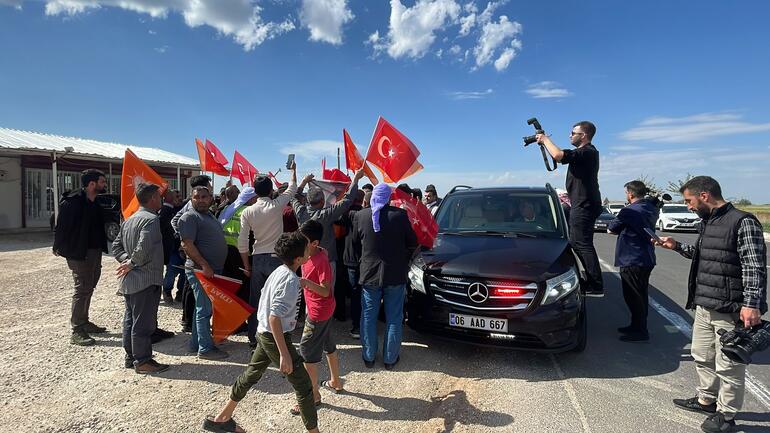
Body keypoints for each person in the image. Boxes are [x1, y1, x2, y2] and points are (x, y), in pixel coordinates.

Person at [654, 176, 767, 433]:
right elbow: (705, 256)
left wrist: (752, 304)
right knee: (703, 356)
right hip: (705, 304)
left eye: (689, 201)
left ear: (704, 195)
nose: (688, 207)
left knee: (729, 366)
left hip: (730, 309)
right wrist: (676, 246)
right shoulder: (708, 222)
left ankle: (726, 416)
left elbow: (754, 266)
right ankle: (706, 401)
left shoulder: (743, 221)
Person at [203, 233, 320, 433]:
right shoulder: (289, 280)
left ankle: (222, 418)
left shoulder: (280, 271)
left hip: (263, 331)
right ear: (299, 259)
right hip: (274, 335)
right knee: (303, 385)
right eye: (307, 248)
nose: (311, 250)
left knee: (251, 374)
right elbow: (275, 317)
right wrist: (284, 354)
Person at [352, 183, 418, 369]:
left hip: (369, 274)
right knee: (394, 317)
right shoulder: (400, 215)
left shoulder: (361, 215)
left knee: (368, 316)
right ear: (389, 198)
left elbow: (356, 243)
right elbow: (412, 242)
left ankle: (369, 356)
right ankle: (390, 358)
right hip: (395, 274)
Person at [537, 121, 604, 297]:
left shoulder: (587, 152)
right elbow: (560, 156)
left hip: (584, 204)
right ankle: (592, 281)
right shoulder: (583, 154)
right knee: (578, 242)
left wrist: (544, 139)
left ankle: (595, 285)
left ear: (583, 135)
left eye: (573, 133)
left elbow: (559, 155)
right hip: (582, 203)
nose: (570, 135)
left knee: (581, 243)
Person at [112, 183, 170, 374]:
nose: (161, 199)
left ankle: (131, 357)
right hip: (145, 279)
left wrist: (126, 261)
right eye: (159, 196)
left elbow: (116, 246)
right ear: (153, 197)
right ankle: (143, 360)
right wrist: (131, 263)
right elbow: (143, 249)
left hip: (131, 280)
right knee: (143, 323)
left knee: (130, 319)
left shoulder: (129, 219)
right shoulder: (151, 220)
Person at [239, 165, 299, 348]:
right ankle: (274, 338)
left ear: (254, 192)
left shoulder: (247, 211)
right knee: (277, 299)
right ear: (271, 190)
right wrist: (293, 171)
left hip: (257, 258)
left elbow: (242, 242)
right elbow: (292, 189)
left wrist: (247, 266)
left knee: (256, 300)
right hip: (276, 259)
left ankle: (253, 338)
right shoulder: (276, 205)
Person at [292, 169, 365, 313]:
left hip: (306, 260)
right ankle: (322, 318)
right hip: (326, 260)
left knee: (309, 290)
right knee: (326, 292)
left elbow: (293, 197)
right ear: (322, 201)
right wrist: (356, 179)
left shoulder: (300, 213)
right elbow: (346, 201)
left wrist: (304, 182)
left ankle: (311, 315)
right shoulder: (325, 215)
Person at [293, 220, 344, 415]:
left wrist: (305, 283)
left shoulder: (321, 260)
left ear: (313, 243)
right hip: (323, 310)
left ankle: (313, 395)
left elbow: (324, 290)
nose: (299, 241)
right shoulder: (314, 252)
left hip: (319, 311)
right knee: (328, 343)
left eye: (303, 239)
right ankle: (336, 381)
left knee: (306, 350)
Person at [53, 168, 109, 346]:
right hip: (79, 252)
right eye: (102, 181)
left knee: (89, 286)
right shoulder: (73, 202)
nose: (104, 184)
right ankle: (77, 329)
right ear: (92, 184)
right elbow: (62, 226)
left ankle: (84, 321)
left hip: (94, 251)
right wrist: (58, 246)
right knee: (81, 288)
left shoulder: (95, 202)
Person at [178, 186, 230, 360]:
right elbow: (187, 244)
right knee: (204, 309)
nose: (200, 200)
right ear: (191, 199)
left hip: (211, 270)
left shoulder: (208, 215)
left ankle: (196, 343)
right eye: (196, 197)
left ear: (210, 198)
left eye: (204, 197)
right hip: (202, 270)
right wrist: (204, 265)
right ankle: (206, 349)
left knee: (201, 307)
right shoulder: (189, 217)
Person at [607, 180, 660, 342]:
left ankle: (640, 331)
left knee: (633, 295)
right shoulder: (652, 208)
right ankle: (636, 325)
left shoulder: (628, 211)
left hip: (632, 258)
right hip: (646, 257)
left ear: (630, 194)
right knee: (641, 294)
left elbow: (611, 229)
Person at [172, 175, 213, 331]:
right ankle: (188, 322)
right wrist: (185, 238)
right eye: (209, 184)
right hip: (194, 253)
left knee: (191, 287)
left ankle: (190, 321)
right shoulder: (192, 207)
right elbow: (175, 221)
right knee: (191, 288)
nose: (210, 187)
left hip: (196, 251)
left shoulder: (197, 205)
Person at [343, 190, 366, 338]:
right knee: (364, 293)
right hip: (365, 260)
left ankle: (357, 326)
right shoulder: (367, 214)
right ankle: (363, 324)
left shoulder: (347, 214)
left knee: (355, 293)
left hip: (352, 260)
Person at [160, 189, 184, 304]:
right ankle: (167, 291)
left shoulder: (184, 210)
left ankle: (180, 293)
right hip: (173, 250)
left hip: (185, 250)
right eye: (176, 195)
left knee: (184, 274)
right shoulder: (166, 211)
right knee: (171, 272)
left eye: (180, 196)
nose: (179, 198)